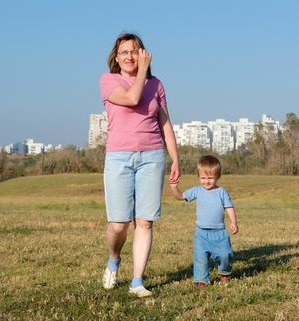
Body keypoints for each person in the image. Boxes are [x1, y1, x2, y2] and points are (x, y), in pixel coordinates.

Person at [99, 33, 180, 298]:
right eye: (124, 52)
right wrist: (143, 70)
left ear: (142, 52)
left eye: (135, 51)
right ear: (116, 57)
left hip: (152, 156)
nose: (130, 56)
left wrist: (175, 159)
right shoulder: (108, 81)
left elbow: (165, 123)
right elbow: (133, 98)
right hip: (119, 158)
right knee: (119, 225)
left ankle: (137, 281)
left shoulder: (156, 85)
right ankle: (114, 257)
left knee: (144, 222)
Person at [169, 155, 238, 289]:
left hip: (220, 233)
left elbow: (229, 207)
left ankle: (224, 272)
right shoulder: (197, 190)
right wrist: (174, 187)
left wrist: (233, 222)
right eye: (203, 178)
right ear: (199, 177)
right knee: (200, 258)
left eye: (210, 178)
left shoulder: (221, 192)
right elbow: (180, 196)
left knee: (225, 255)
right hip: (201, 233)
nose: (206, 181)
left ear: (217, 176)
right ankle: (201, 280)